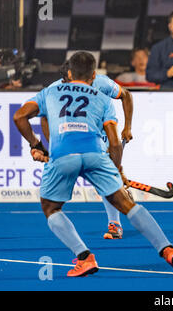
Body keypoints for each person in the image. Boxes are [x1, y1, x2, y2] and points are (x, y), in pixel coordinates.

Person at [13, 51, 173, 277]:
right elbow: (115, 143)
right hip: (96, 153)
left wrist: (37, 146)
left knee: (51, 208)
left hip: (63, 156)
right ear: (93, 75)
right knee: (127, 204)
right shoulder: (101, 95)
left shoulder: (49, 91)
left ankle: (84, 257)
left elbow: (19, 117)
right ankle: (169, 251)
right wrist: (116, 170)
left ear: (69, 72)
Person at [42, 59, 134, 240]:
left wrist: (127, 128)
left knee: (106, 180)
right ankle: (121, 193)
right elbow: (45, 117)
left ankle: (115, 224)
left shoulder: (102, 83)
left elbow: (127, 95)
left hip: (103, 134)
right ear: (66, 78)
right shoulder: (54, 89)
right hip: (75, 137)